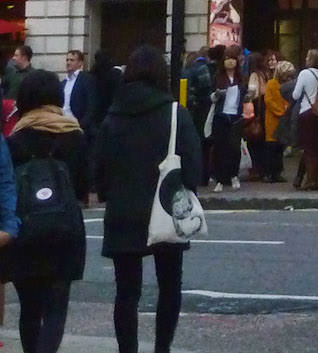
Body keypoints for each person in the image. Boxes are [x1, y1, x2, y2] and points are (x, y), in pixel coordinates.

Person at [90, 45, 202, 353]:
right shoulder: (175, 113)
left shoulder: (114, 115)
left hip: (123, 210)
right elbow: (193, 165)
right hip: (165, 207)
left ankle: (128, 349)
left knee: (126, 291)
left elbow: (98, 167)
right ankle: (161, 348)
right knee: (169, 285)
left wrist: (108, 192)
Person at [7, 68, 87, 353]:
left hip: (23, 230)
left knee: (29, 309)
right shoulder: (74, 136)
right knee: (55, 308)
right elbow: (83, 185)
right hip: (64, 231)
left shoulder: (14, 140)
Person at [290, 49, 318, 190]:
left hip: (307, 113)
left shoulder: (305, 73)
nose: (306, 58)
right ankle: (316, 179)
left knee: (308, 147)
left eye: (308, 56)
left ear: (312, 60)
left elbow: (296, 95)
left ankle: (309, 180)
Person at [206, 54, 243, 192]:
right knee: (220, 147)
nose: (230, 61)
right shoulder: (217, 77)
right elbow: (211, 96)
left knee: (234, 147)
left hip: (236, 116)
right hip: (221, 115)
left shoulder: (240, 78)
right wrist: (217, 94)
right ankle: (220, 179)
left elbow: (244, 94)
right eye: (227, 58)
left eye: (233, 58)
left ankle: (234, 175)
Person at [58, 51, 93, 127]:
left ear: (80, 63)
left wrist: (83, 124)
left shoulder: (87, 79)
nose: (68, 62)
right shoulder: (63, 83)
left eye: (72, 60)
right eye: (67, 60)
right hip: (62, 124)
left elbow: (92, 105)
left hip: (78, 125)